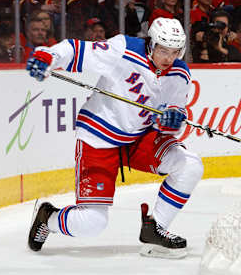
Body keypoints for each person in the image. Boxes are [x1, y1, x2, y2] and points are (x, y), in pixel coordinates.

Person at [25, 18, 203, 258]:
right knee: (92, 223)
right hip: (99, 138)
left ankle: (155, 227)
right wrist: (48, 57)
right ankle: (49, 218)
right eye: (163, 50)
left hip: (139, 138)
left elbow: (174, 114)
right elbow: (75, 50)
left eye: (175, 52)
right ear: (150, 43)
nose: (168, 58)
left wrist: (172, 121)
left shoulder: (180, 73)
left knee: (190, 165)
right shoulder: (124, 49)